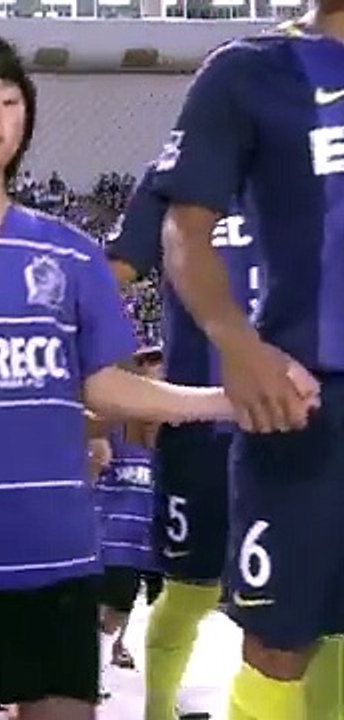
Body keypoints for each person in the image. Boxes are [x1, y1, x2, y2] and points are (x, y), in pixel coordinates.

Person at [0, 32, 248, 719]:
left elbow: (105, 387)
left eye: (8, 97)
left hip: (57, 554)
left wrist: (224, 400)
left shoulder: (73, 254)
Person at [147, 9, 342, 719]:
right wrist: (238, 344)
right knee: (281, 641)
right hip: (306, 402)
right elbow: (184, 230)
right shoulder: (249, 69)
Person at [105, 169, 258, 720]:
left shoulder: (315, 160)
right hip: (200, 424)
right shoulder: (176, 177)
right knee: (190, 589)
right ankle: (158, 710)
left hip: (301, 420)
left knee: (314, 605)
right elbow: (109, 274)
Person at [94, 347, 167, 690]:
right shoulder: (111, 426)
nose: (156, 372)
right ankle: (97, 673)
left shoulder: (174, 435)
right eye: (149, 366)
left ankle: (116, 659)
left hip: (151, 538)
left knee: (147, 607)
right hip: (111, 538)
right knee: (113, 604)